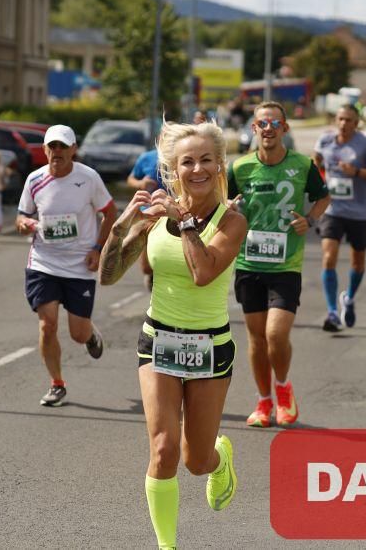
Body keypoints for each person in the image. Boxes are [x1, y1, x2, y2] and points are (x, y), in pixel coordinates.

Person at [99, 120, 246, 550]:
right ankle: (167, 546)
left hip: (209, 346)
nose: (197, 169)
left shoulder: (231, 221)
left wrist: (182, 222)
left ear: (219, 166)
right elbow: (108, 275)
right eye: (187, 162)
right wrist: (122, 226)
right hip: (158, 341)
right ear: (173, 169)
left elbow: (203, 273)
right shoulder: (157, 217)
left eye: (206, 160)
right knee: (163, 451)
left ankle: (219, 458)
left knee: (195, 460)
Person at [227, 102, 330, 428]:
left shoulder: (303, 165)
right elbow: (221, 205)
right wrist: (229, 208)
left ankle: (283, 388)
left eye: (274, 123)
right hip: (249, 262)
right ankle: (263, 401)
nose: (268, 129)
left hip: (286, 264)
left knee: (275, 334)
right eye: (262, 123)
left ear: (285, 128)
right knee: (256, 339)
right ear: (254, 128)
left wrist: (310, 220)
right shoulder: (239, 167)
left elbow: (323, 197)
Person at [16, 125, 117, 406]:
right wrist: (25, 224)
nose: (57, 152)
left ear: (74, 150)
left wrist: (98, 249)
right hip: (43, 263)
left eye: (63, 146)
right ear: (45, 149)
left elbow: (110, 213)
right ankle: (57, 384)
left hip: (79, 265)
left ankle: (90, 334)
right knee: (47, 325)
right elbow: (21, 216)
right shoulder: (35, 180)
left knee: (77, 333)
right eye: (52, 146)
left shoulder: (88, 178)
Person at [313, 105, 366, 331]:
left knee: (358, 262)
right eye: (341, 119)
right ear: (336, 120)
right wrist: (320, 180)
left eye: (349, 120)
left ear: (356, 123)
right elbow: (316, 161)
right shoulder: (325, 141)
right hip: (333, 211)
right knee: (329, 257)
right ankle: (332, 312)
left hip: (359, 213)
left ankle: (349, 297)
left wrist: (356, 172)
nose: (344, 123)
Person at [128, 147, 164, 291]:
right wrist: (141, 184)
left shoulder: (182, 155)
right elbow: (130, 179)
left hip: (174, 213)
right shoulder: (147, 157)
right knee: (146, 268)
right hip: (148, 213)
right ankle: (151, 275)